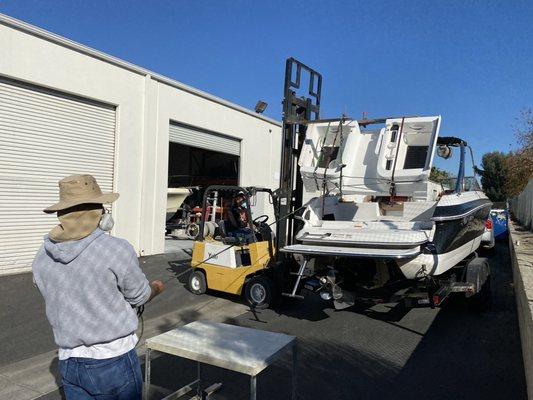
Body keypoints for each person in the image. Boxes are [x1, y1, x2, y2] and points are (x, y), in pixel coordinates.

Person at [32, 175, 164, 400]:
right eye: (102, 207)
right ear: (96, 213)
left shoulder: (42, 256)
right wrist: (155, 289)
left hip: (69, 362)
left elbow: (56, 294)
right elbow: (139, 295)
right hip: (113, 361)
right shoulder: (116, 249)